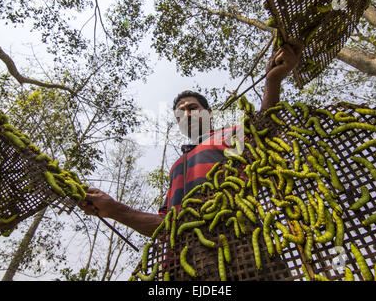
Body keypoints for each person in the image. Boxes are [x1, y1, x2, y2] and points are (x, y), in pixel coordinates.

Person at [78, 38, 304, 238]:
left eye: (193, 108)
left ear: (209, 114)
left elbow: (265, 129)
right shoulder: (177, 167)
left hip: (239, 244)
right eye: (180, 112)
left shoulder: (230, 134)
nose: (187, 114)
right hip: (180, 267)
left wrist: (272, 82)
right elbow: (164, 226)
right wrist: (114, 209)